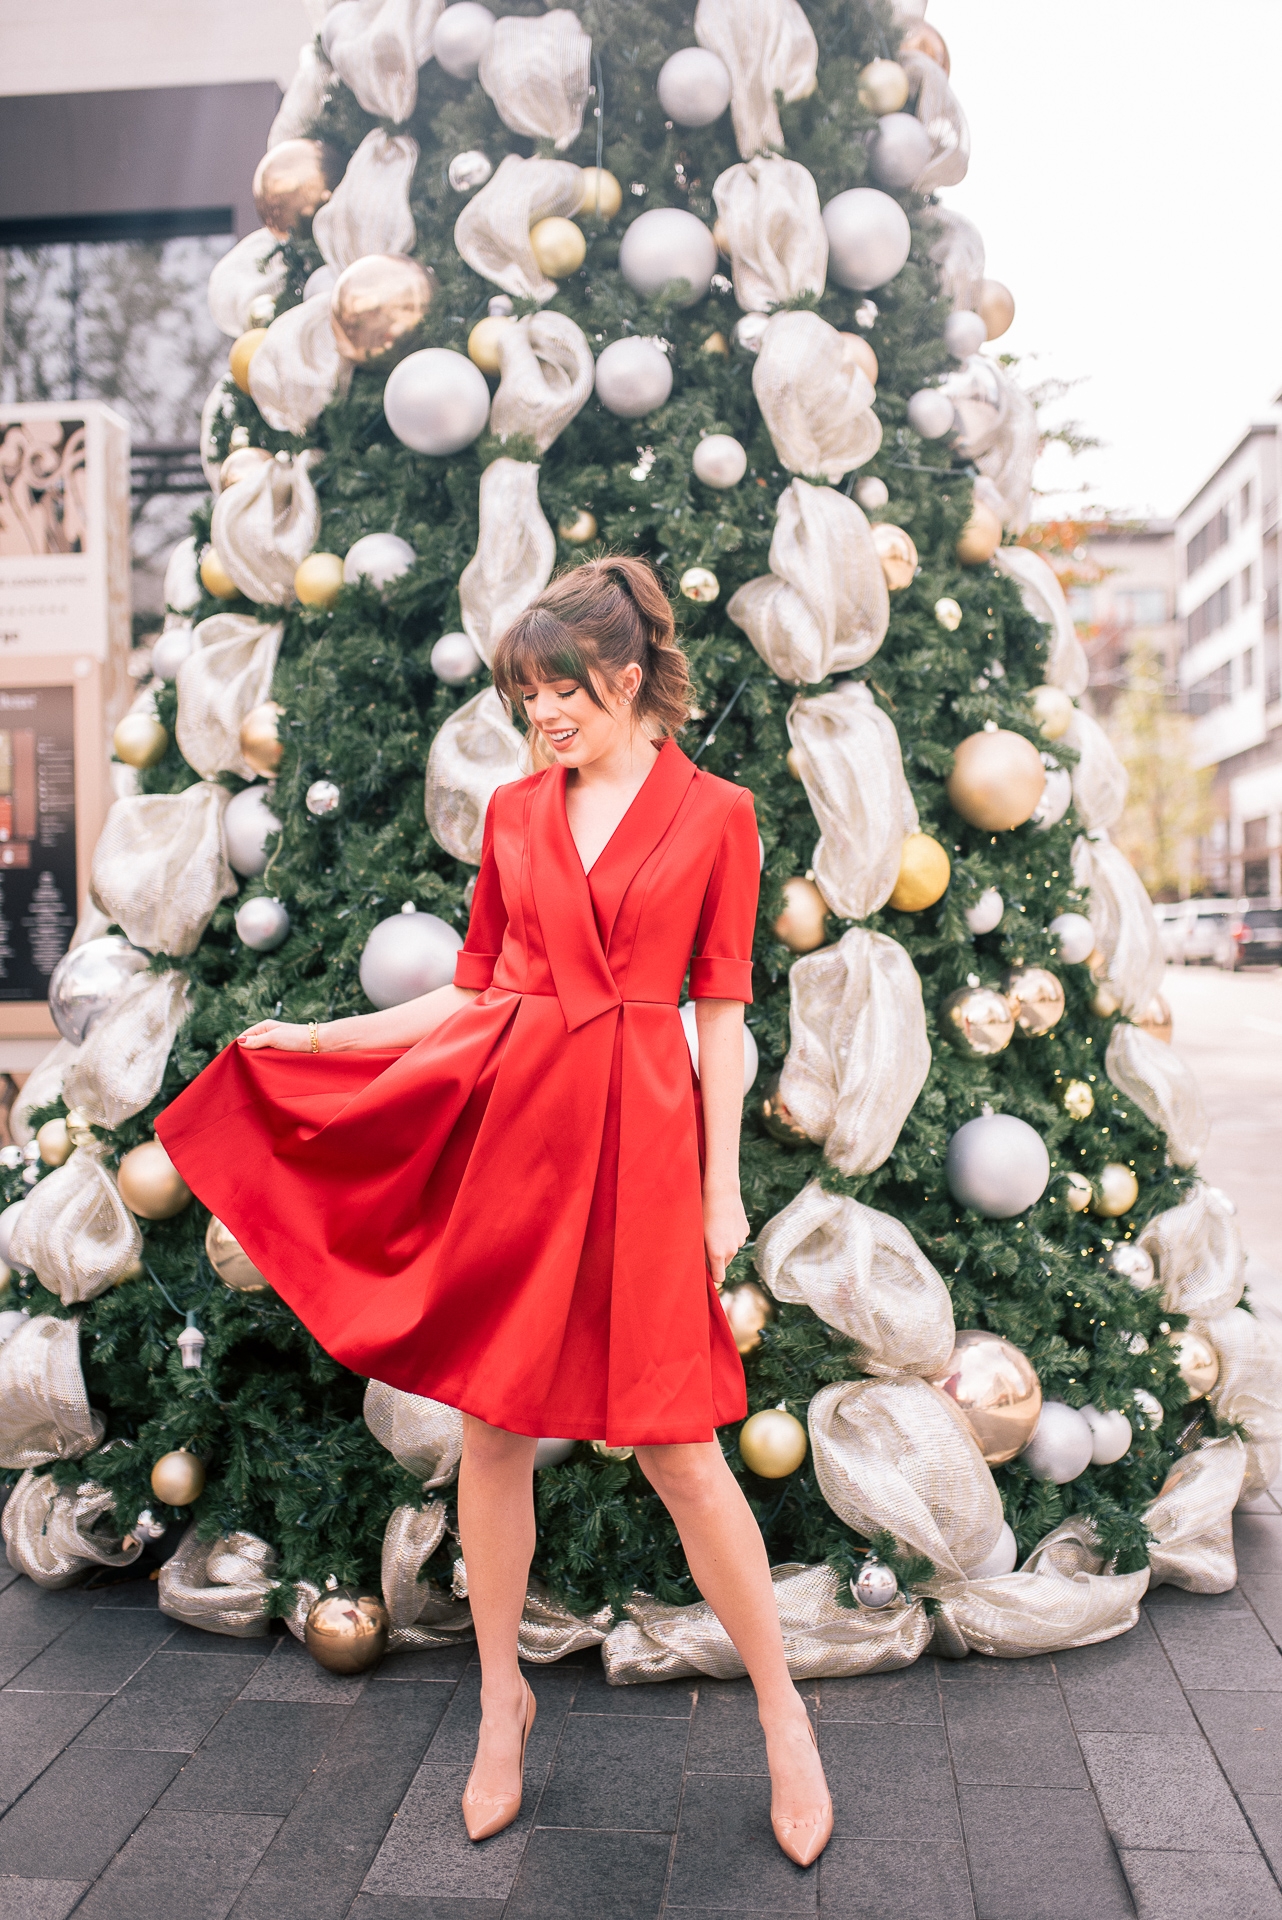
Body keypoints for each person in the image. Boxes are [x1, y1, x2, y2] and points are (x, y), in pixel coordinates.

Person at [156, 555, 833, 1865]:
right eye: (527, 697)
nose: (541, 718)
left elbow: (724, 1019)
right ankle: (498, 1706)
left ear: (625, 677)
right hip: (519, 1140)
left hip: (641, 1142)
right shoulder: (519, 816)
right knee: (493, 1437)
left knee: (683, 1453)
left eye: (558, 692)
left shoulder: (717, 817)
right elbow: (472, 994)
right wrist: (329, 1029)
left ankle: (782, 1715)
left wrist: (721, 1190)